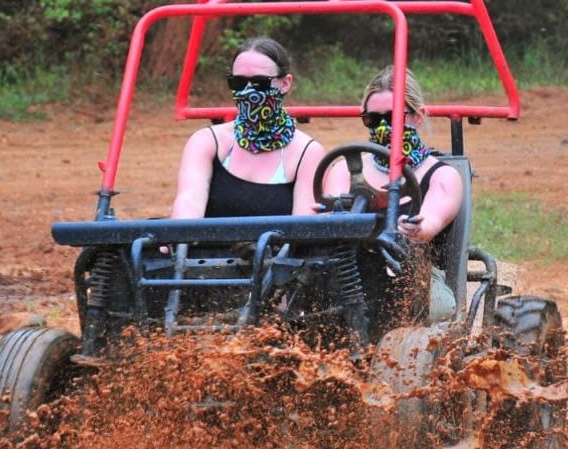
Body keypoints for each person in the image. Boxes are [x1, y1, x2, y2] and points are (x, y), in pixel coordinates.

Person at [323, 65, 463, 325]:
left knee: (437, 309)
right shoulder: (345, 169)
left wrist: (418, 228)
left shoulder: (442, 176)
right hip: (346, 277)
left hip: (412, 278)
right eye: (372, 119)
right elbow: (326, 223)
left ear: (418, 117)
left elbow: (431, 220)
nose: (383, 127)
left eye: (393, 117)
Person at [171, 37, 325, 219]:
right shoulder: (207, 142)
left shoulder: (307, 152)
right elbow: (189, 202)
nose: (247, 92)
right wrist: (178, 243)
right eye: (238, 83)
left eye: (260, 82)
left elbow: (302, 227)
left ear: (285, 83)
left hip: (278, 247)